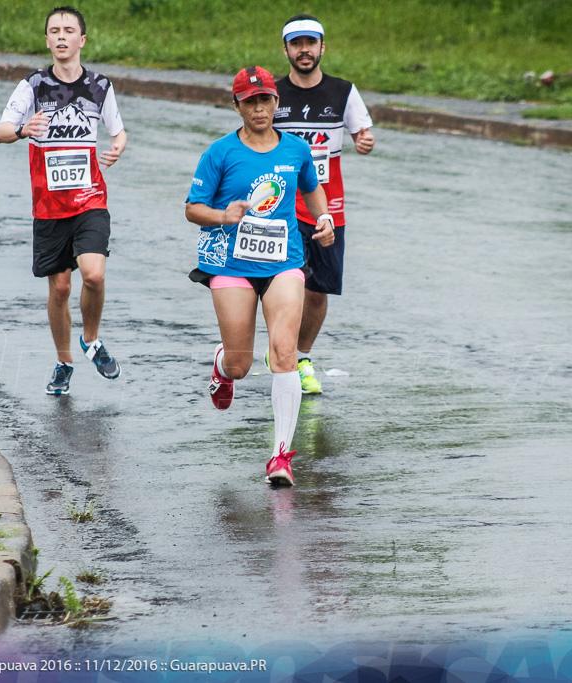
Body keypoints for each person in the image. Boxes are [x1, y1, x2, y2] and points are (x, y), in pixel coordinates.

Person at [185, 66, 335, 486]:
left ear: (276, 103)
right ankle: (222, 366)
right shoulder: (220, 153)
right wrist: (221, 214)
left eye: (265, 99)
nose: (259, 108)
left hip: (284, 262)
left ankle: (281, 457)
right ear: (236, 106)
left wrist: (323, 216)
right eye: (249, 101)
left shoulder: (295, 150)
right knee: (241, 363)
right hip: (231, 266)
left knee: (284, 353)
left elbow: (311, 187)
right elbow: (192, 208)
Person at [0, 6, 127, 395]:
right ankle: (64, 361)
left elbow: (118, 133)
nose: (62, 36)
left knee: (95, 275)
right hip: (49, 206)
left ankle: (91, 339)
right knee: (61, 289)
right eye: (55, 31)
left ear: (82, 40)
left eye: (69, 30)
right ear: (48, 40)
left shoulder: (100, 86)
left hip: (90, 199)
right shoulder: (33, 86)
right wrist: (23, 129)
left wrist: (116, 148)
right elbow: (0, 131)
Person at [272, 14, 374, 394]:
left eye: (310, 43)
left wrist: (364, 142)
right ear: (286, 50)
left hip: (328, 208)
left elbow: (362, 132)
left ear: (321, 48)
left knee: (319, 289)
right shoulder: (275, 92)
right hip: (280, 206)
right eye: (296, 44)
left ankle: (300, 356)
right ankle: (284, 355)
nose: (304, 50)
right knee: (287, 284)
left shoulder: (343, 92)